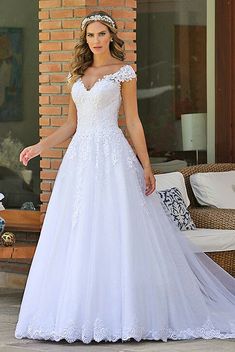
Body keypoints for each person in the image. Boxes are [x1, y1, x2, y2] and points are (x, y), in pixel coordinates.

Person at [15, 10, 235, 344]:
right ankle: (77, 313)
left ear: (111, 37)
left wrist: (147, 166)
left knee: (116, 228)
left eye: (101, 34)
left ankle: (127, 313)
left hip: (113, 157)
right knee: (79, 231)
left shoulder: (123, 72)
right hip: (80, 161)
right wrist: (39, 146)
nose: (96, 40)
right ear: (85, 39)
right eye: (90, 35)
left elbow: (132, 122)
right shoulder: (78, 74)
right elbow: (71, 125)